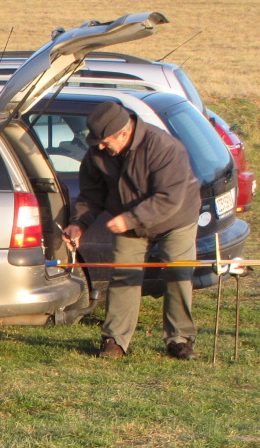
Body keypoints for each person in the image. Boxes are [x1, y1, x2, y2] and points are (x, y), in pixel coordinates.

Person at [62, 100, 202, 361]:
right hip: (128, 220)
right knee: (124, 275)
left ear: (124, 134)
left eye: (104, 141)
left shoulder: (165, 148)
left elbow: (168, 198)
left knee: (178, 272)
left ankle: (180, 339)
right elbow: (92, 193)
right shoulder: (98, 153)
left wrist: (130, 219)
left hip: (176, 218)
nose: (100, 147)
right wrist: (79, 223)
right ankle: (115, 339)